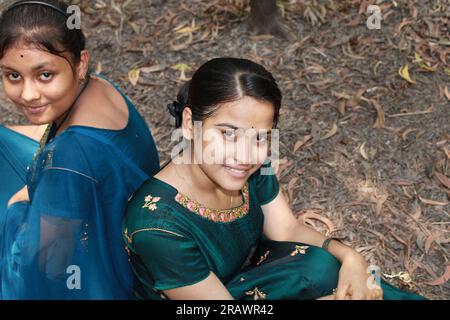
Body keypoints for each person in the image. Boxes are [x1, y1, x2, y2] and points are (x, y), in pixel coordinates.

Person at [123, 57, 426, 300]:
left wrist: (351, 258)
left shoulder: (248, 165)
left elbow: (286, 228)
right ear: (190, 124)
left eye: (260, 138)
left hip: (243, 283)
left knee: (324, 264)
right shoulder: (158, 225)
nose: (245, 155)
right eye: (228, 134)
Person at [0, 0, 159, 299]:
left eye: (44, 74)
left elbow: (49, 266)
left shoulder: (69, 161)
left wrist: (16, 210)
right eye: (13, 76)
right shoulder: (97, 87)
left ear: (80, 63)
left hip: (97, 265)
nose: (28, 94)